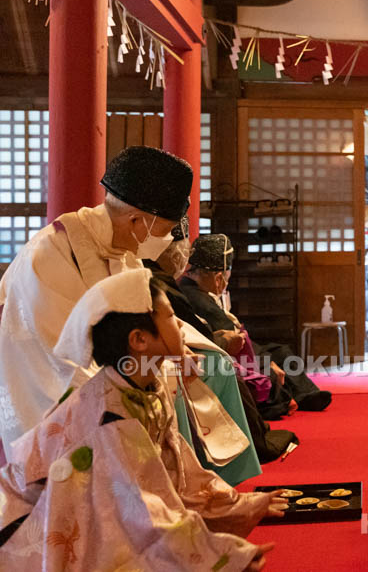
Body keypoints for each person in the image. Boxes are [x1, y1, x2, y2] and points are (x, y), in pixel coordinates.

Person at [0, 269, 283, 570]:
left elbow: (179, 471)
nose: (181, 327)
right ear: (139, 340)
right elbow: (143, 515)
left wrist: (238, 505)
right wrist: (224, 557)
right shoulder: (110, 416)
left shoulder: (148, 384)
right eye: (173, 317)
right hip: (33, 517)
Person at [0, 146, 192, 452]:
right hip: (44, 386)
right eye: (166, 231)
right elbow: (54, 354)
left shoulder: (125, 253)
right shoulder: (50, 252)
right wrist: (125, 387)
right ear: (136, 221)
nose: (167, 241)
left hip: (110, 379)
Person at [146, 221, 293, 466]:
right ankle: (258, 439)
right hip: (177, 358)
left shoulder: (178, 285)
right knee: (226, 367)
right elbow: (195, 332)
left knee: (278, 354)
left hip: (192, 352)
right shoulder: (165, 285)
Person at [180, 235, 332, 420]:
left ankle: (305, 395)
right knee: (271, 364)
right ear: (219, 278)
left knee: (281, 351)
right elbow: (237, 341)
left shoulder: (197, 291)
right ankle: (294, 398)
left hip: (233, 350)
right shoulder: (198, 298)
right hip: (227, 355)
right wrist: (265, 362)